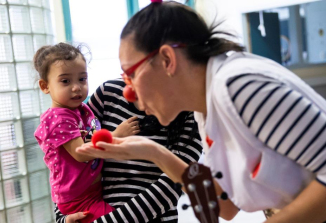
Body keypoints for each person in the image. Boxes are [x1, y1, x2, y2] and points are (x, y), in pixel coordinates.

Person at [76, 1, 326, 223]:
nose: (127, 92)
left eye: (131, 74)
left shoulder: (238, 85)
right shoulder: (205, 110)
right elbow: (225, 207)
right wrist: (154, 153)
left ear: (167, 59)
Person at [54, 78, 203, 223]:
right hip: (95, 212)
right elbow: (67, 157)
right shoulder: (108, 94)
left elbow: (171, 187)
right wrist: (63, 217)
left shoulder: (191, 113)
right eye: (126, 71)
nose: (129, 83)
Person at [33, 43, 140, 222]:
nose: (76, 87)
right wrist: (115, 136)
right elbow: (80, 153)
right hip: (78, 199)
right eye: (65, 81)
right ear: (45, 86)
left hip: (91, 191)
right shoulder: (57, 118)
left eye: (82, 79)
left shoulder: (80, 110)